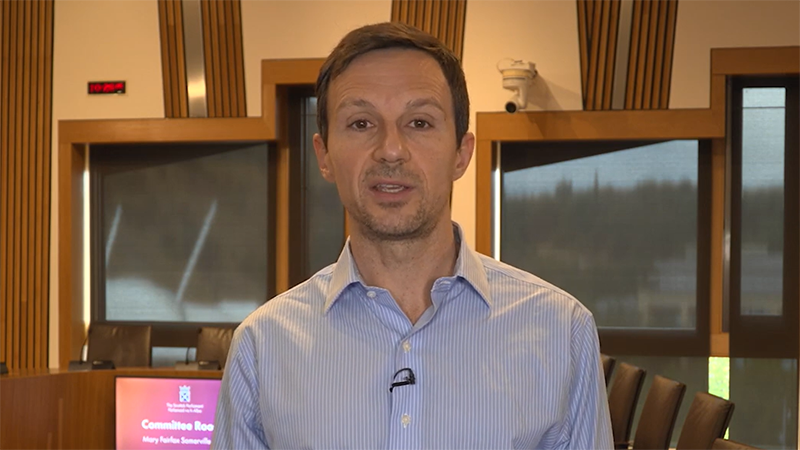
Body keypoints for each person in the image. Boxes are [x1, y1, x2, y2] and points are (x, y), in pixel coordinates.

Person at [211, 22, 612, 449]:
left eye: (419, 122)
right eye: (361, 122)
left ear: (462, 153)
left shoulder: (560, 332)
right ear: (324, 155)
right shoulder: (263, 347)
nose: (391, 149)